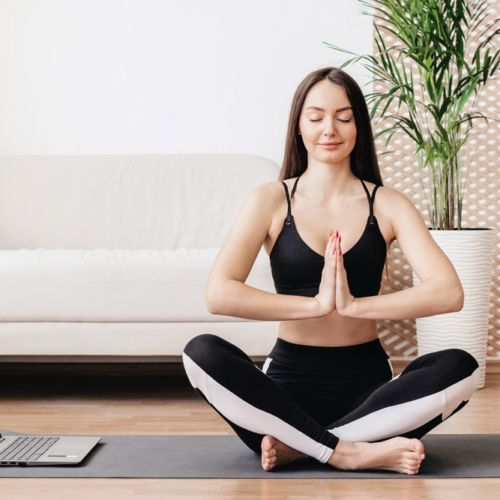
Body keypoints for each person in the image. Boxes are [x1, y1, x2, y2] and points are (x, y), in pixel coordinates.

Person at [182, 67, 479, 475]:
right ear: (298, 126)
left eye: (343, 117)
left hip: (371, 395)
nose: (330, 129)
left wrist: (354, 306)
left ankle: (306, 446)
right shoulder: (269, 200)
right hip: (283, 395)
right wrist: (317, 305)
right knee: (200, 352)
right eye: (316, 116)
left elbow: (449, 292)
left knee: (461, 365)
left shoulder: (388, 204)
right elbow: (219, 293)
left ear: (358, 126)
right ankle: (350, 451)